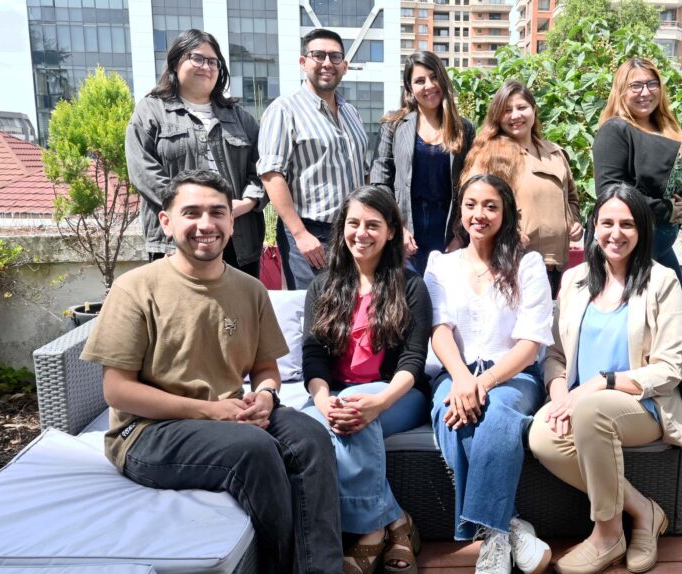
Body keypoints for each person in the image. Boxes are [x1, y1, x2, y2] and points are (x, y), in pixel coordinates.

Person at [79, 169, 342, 574]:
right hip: (147, 433)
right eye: (192, 213)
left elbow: (264, 368)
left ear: (232, 222)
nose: (206, 224)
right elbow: (117, 391)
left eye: (217, 212)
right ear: (166, 223)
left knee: (310, 436)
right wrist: (211, 412)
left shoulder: (249, 289)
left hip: (230, 417)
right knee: (253, 450)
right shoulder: (136, 288)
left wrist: (267, 396)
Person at [528, 184, 682, 574]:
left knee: (593, 411)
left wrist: (599, 384)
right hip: (581, 402)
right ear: (593, 227)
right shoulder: (575, 280)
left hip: (642, 406)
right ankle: (644, 510)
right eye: (607, 223)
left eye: (627, 224)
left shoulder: (663, 281)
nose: (615, 233)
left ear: (642, 231)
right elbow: (554, 354)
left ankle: (607, 532)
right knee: (541, 436)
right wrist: (558, 395)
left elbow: (669, 369)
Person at [424, 174, 554, 574]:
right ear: (460, 211)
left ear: (506, 213)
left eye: (490, 206)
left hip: (513, 375)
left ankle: (490, 531)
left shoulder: (527, 264)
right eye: (471, 205)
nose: (479, 214)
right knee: (454, 415)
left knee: (496, 415)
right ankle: (506, 529)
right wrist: (463, 379)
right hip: (454, 371)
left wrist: (483, 383)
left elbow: (530, 342)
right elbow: (439, 329)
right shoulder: (440, 264)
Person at [301, 186, 433, 574]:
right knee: (305, 429)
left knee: (358, 410)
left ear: (391, 231)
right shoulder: (321, 286)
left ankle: (370, 534)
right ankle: (395, 522)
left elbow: (413, 360)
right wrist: (323, 402)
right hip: (333, 395)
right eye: (354, 223)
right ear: (342, 228)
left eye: (373, 225)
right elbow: (313, 358)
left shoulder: (411, 287)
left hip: (397, 396)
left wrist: (380, 401)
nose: (362, 233)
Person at [126, 29, 265, 276]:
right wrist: (191, 208)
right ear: (176, 61)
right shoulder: (152, 111)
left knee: (237, 310)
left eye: (213, 61)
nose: (206, 67)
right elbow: (143, 172)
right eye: (197, 58)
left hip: (238, 236)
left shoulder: (240, 117)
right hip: (177, 239)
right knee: (180, 310)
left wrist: (245, 203)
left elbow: (262, 170)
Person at [258, 28, 367, 290]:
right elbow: (271, 175)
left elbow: (363, 173)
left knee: (350, 312)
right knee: (315, 316)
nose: (327, 63)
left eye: (335, 57)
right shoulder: (284, 110)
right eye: (318, 55)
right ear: (303, 62)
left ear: (345, 66)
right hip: (310, 235)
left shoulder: (351, 112)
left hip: (351, 234)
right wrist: (299, 234)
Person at [463, 81, 582, 295]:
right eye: (507, 110)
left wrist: (572, 222)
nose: (515, 115)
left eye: (521, 108)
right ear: (498, 117)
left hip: (556, 264)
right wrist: (509, 231)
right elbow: (472, 205)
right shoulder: (488, 155)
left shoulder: (554, 153)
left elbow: (571, 198)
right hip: (512, 262)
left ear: (534, 110)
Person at [593, 58, 682, 291]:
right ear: (621, 91)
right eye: (636, 86)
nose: (645, 92)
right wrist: (666, 209)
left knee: (676, 313)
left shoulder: (669, 129)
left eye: (652, 84)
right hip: (631, 244)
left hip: (661, 241)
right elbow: (611, 193)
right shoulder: (616, 129)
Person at [369, 51, 476, 274]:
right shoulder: (394, 125)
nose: (429, 85)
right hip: (406, 229)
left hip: (447, 233)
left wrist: (461, 236)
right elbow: (380, 180)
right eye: (419, 80)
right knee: (408, 300)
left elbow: (472, 184)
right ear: (409, 88)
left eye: (434, 77)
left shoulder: (463, 129)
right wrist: (396, 228)